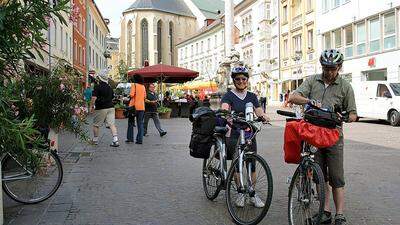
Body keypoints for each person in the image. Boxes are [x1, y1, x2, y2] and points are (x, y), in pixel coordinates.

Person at [288, 49, 357, 225]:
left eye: (332, 68)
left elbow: (353, 114)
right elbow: (293, 97)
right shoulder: (312, 81)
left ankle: (339, 214)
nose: (329, 72)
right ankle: (325, 211)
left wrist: (345, 116)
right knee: (319, 175)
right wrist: (308, 101)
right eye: (326, 68)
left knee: (336, 176)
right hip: (313, 135)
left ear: (339, 67)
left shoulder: (345, 86)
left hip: (334, 136)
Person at [221, 66, 270, 208]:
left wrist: (263, 116)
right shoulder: (229, 95)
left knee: (252, 165)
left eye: (244, 78)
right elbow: (225, 108)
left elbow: (259, 111)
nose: (241, 81)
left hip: (249, 133)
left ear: (247, 80)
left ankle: (252, 193)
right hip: (235, 133)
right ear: (234, 81)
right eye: (238, 79)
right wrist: (225, 113)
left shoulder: (252, 96)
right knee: (237, 165)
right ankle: (241, 192)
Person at [89, 69, 119, 147]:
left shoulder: (97, 86)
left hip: (101, 108)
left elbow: (93, 98)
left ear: (99, 78)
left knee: (96, 124)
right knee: (112, 124)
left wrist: (91, 106)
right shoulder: (110, 87)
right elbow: (112, 97)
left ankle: (95, 140)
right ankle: (115, 140)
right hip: (111, 107)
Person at [127, 75, 146, 144]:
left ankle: (130, 138)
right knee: (140, 123)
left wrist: (128, 95)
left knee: (131, 123)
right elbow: (144, 97)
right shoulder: (143, 86)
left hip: (133, 107)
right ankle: (139, 140)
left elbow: (131, 95)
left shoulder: (134, 85)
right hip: (142, 107)